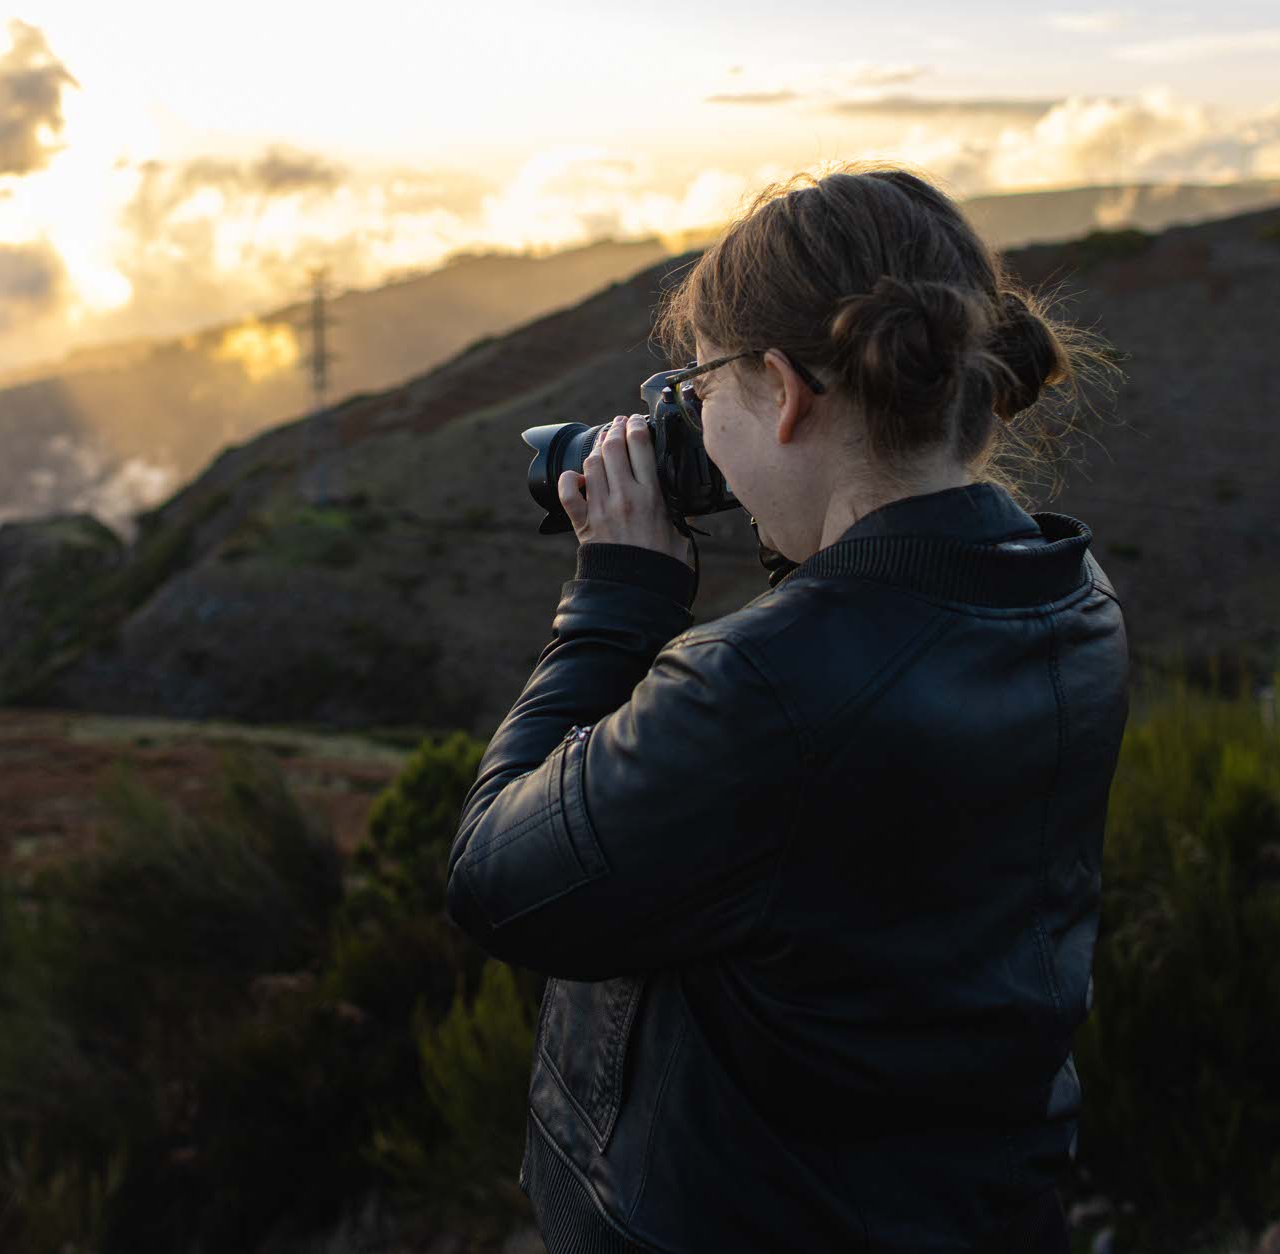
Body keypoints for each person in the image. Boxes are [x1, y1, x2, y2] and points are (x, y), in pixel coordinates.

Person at [445, 163, 1128, 1253]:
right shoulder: (1065, 595)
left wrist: (615, 601)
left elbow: (496, 879)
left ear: (784, 389)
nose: (691, 424)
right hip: (976, 1204)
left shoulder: (762, 690)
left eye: (703, 389)